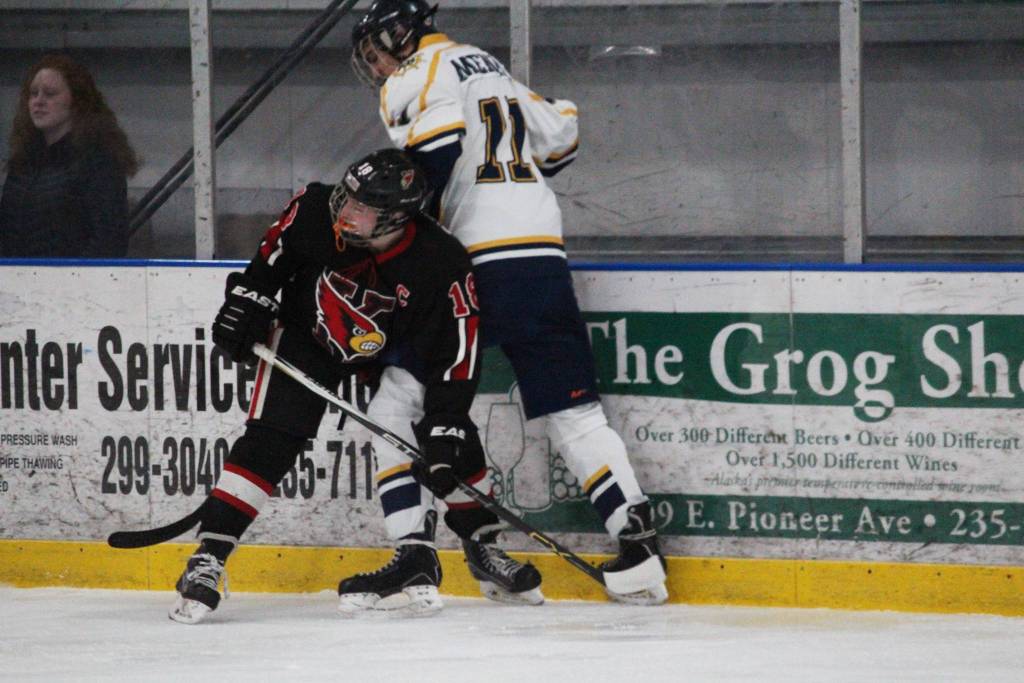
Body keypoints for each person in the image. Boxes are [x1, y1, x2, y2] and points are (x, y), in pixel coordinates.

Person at [350, 0, 668, 604]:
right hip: (541, 253)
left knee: (395, 400)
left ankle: (413, 553)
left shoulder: (415, 75)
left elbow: (433, 160)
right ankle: (638, 544)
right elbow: (562, 139)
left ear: (400, 36)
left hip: (472, 262)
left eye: (375, 50)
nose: (376, 65)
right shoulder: (488, 67)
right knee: (574, 413)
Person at [170, 149, 541, 624]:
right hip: (311, 334)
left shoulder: (440, 261)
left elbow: (457, 354)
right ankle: (209, 556)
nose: (344, 210)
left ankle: (483, 547)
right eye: (347, 196)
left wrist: (446, 422)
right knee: (272, 436)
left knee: (447, 439)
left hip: (398, 345)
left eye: (361, 207)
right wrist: (248, 301)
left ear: (395, 218)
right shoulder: (312, 210)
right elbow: (267, 265)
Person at [0, 54, 138, 258]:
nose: (38, 101)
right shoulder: (22, 163)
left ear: (77, 100)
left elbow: (109, 242)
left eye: (50, 94)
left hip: (73, 285)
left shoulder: (99, 162)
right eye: (33, 93)